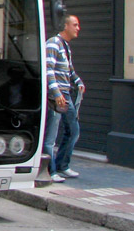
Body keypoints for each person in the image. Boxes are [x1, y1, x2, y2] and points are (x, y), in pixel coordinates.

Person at [43, 14, 85, 183]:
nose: (78, 28)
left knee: (73, 130)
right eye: (75, 24)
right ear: (65, 26)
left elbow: (69, 70)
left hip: (65, 94)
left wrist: (78, 81)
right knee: (51, 136)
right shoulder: (53, 43)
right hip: (57, 96)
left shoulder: (65, 46)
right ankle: (50, 170)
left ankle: (62, 165)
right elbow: (48, 69)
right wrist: (57, 93)